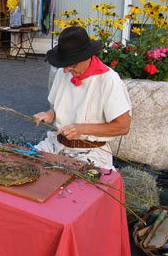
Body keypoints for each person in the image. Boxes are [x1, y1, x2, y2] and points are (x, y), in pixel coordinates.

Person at [33, 26, 131, 169]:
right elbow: (58, 105)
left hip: (91, 152)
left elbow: (123, 126)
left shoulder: (108, 80)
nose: (66, 70)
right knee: (26, 163)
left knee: (75, 187)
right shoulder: (64, 72)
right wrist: (49, 114)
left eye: (71, 65)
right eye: (64, 65)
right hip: (56, 145)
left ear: (86, 57)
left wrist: (83, 129)